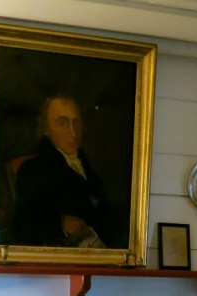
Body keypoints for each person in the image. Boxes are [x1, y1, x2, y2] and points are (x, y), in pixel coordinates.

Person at [12, 95, 126, 248]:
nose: (73, 132)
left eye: (76, 122)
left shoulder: (90, 168)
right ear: (46, 129)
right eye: (62, 123)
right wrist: (62, 224)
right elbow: (22, 226)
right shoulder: (33, 169)